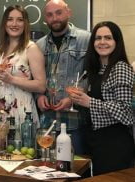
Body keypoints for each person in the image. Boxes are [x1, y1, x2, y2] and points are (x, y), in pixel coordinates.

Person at [69, 21, 135, 175]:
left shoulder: (121, 68)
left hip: (114, 144)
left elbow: (126, 112)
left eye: (108, 38)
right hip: (95, 140)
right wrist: (79, 99)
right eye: (98, 38)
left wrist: (90, 102)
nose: (102, 42)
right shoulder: (97, 69)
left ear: (116, 42)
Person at [36, 0, 91, 154]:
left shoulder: (87, 39)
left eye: (59, 12)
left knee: (77, 170)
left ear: (69, 12)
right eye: (50, 15)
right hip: (47, 124)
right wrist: (39, 96)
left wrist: (73, 98)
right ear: (45, 19)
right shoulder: (39, 45)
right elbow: (35, 78)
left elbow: (93, 76)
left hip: (76, 124)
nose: (55, 18)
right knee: (47, 170)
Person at [0, 5, 46, 128]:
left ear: (25, 24)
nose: (14, 24)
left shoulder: (31, 48)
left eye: (20, 20)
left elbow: (41, 86)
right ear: (4, 23)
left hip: (22, 110)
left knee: (21, 147)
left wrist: (12, 79)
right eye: (10, 19)